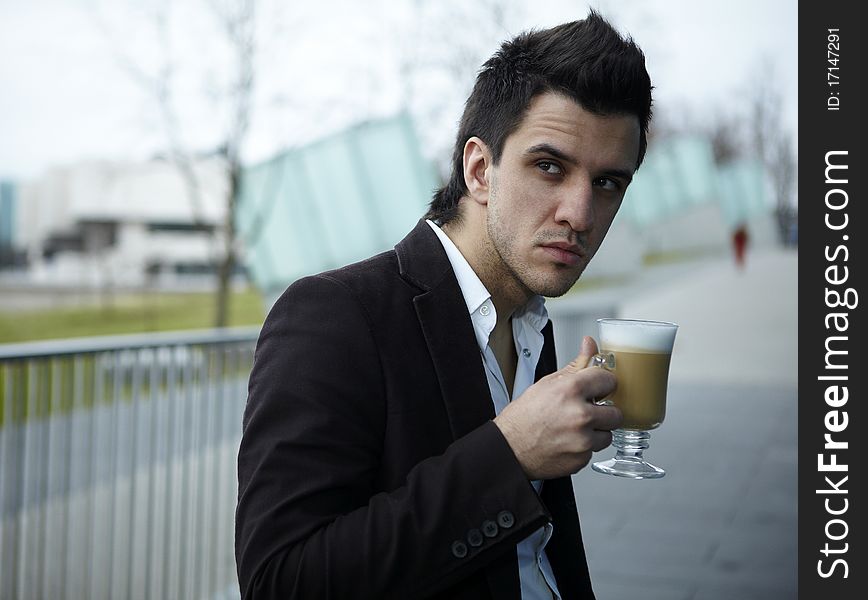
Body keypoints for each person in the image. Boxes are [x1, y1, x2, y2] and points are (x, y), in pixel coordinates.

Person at [236, 11, 653, 599]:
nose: (579, 214)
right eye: (550, 167)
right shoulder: (334, 316)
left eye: (608, 183)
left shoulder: (531, 323)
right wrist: (509, 456)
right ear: (480, 170)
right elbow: (281, 582)